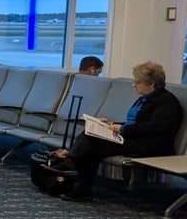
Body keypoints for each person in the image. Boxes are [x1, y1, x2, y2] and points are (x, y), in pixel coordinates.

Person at [60, 61, 181, 202]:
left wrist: (122, 129)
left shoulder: (167, 102)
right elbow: (135, 123)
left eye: (137, 82)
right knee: (89, 134)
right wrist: (112, 124)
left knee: (93, 145)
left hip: (147, 145)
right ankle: (77, 177)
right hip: (133, 138)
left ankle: (75, 172)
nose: (133, 85)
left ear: (152, 84)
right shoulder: (145, 99)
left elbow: (154, 127)